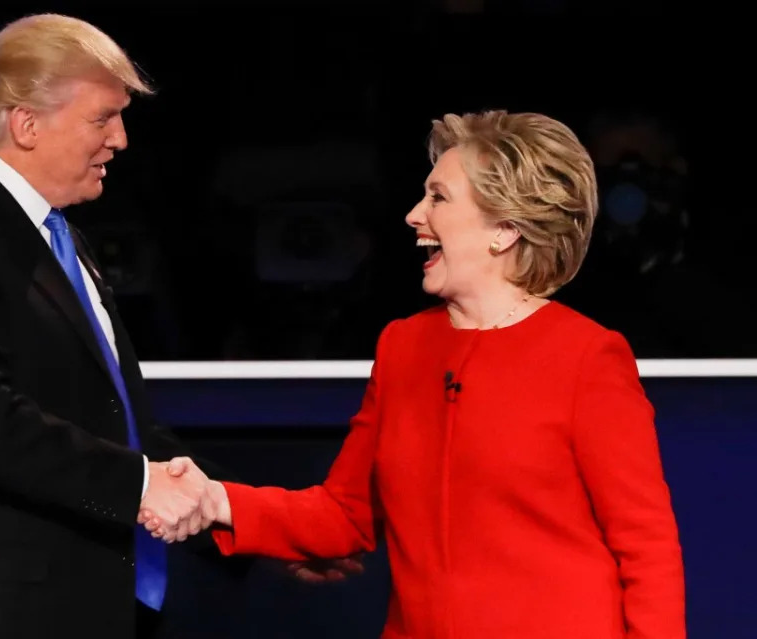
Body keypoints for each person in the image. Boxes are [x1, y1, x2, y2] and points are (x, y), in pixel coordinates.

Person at [143, 110, 686, 638]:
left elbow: (646, 548)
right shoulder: (403, 346)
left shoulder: (588, 357)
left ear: (503, 229)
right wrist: (216, 500)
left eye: (438, 197)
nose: (413, 215)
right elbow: (345, 513)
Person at [0, 13, 231, 639]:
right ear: (26, 123)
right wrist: (139, 484)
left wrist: (234, 513)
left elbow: (116, 422)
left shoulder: (60, 239)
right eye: (102, 119)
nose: (121, 140)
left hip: (69, 606)